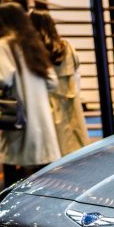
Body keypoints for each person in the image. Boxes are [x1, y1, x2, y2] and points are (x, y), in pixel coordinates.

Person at [0, 2, 60, 188]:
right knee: (44, 170)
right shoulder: (34, 44)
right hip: (41, 116)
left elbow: (4, 78)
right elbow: (53, 82)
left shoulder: (3, 45)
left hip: (18, 113)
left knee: (13, 161)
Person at [29, 10, 89, 155]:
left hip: (47, 104)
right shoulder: (67, 47)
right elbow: (76, 72)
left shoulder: (34, 51)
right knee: (75, 145)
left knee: (53, 150)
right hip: (70, 100)